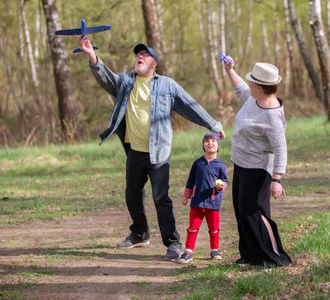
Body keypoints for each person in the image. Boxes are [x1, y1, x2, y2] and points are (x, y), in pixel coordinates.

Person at [77, 36, 226, 261]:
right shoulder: (126, 81)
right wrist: (91, 55)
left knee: (160, 198)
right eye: (138, 54)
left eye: (145, 55)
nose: (140, 56)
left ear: (153, 64)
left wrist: (213, 124)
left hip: (159, 153)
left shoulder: (167, 84)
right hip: (134, 150)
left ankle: (173, 243)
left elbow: (190, 105)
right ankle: (139, 233)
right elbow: (106, 77)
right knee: (132, 194)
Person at [222, 56, 292, 268]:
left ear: (260, 88)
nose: (249, 84)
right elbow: (242, 90)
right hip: (242, 164)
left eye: (252, 82)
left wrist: (277, 179)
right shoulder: (255, 99)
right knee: (241, 210)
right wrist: (230, 70)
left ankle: (271, 257)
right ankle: (250, 255)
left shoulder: (271, 116)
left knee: (254, 213)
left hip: (259, 169)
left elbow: (281, 148)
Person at [179, 132, 228, 263]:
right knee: (193, 227)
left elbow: (225, 180)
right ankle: (188, 251)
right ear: (203, 145)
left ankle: (214, 250)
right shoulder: (198, 163)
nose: (210, 143)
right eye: (207, 141)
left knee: (214, 228)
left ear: (218, 146)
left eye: (213, 141)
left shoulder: (220, 164)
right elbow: (190, 181)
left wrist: (221, 186)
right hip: (196, 202)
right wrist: (186, 196)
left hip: (213, 202)